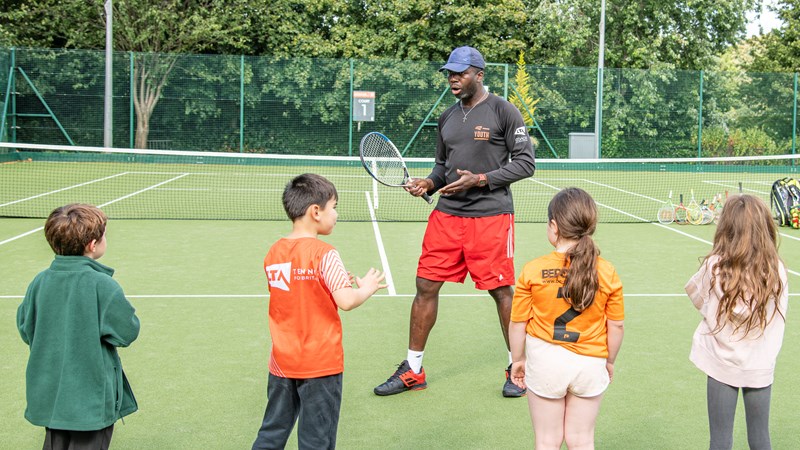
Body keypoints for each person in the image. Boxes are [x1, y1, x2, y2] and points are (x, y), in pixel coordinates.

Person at [373, 45, 536, 397]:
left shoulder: (504, 111)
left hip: (491, 217)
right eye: (450, 72)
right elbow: (440, 167)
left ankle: (516, 368)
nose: (453, 78)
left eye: (460, 73)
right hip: (446, 216)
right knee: (425, 286)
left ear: (479, 73)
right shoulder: (447, 117)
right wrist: (428, 183)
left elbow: (525, 164)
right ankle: (413, 370)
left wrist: (480, 179)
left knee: (501, 291)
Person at [252, 173, 387, 450]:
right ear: (316, 211)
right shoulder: (325, 253)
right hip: (320, 363)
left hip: (282, 362)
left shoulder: (274, 252)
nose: (336, 214)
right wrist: (368, 287)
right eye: (334, 207)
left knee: (272, 433)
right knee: (317, 440)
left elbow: (293, 293)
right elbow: (347, 301)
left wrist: (329, 283)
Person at [508, 187, 624, 449]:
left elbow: (518, 323)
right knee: (581, 440)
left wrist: (517, 360)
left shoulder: (533, 269)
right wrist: (610, 361)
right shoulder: (607, 271)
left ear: (554, 226)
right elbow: (615, 325)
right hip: (590, 364)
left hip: (546, 362)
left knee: (547, 440)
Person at [17, 204, 140, 450]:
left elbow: (25, 328)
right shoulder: (102, 285)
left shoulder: (39, 281)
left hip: (51, 395)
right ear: (93, 245)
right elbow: (127, 332)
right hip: (90, 399)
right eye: (104, 234)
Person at [685, 194, 788, 450]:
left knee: (719, 441)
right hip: (760, 363)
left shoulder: (714, 266)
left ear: (727, 228)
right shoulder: (777, 269)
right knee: (760, 438)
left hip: (721, 362)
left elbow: (697, 297)